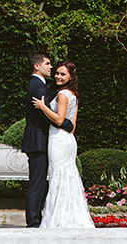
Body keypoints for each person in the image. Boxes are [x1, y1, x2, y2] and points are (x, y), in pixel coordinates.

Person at [32, 61, 95, 229]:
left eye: (62, 74)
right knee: (68, 177)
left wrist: (42, 107)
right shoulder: (74, 94)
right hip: (68, 139)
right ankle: (70, 217)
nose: (58, 77)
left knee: (58, 177)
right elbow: (72, 125)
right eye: (57, 73)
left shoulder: (62, 94)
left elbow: (59, 119)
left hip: (58, 140)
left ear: (70, 76)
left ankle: (58, 219)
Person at [21, 53, 74, 228]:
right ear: (37, 66)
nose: (50, 67)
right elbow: (44, 115)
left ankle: (38, 218)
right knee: (37, 182)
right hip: (37, 140)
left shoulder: (40, 85)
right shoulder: (38, 86)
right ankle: (33, 222)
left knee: (39, 181)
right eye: (47, 64)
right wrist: (66, 124)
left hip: (41, 140)